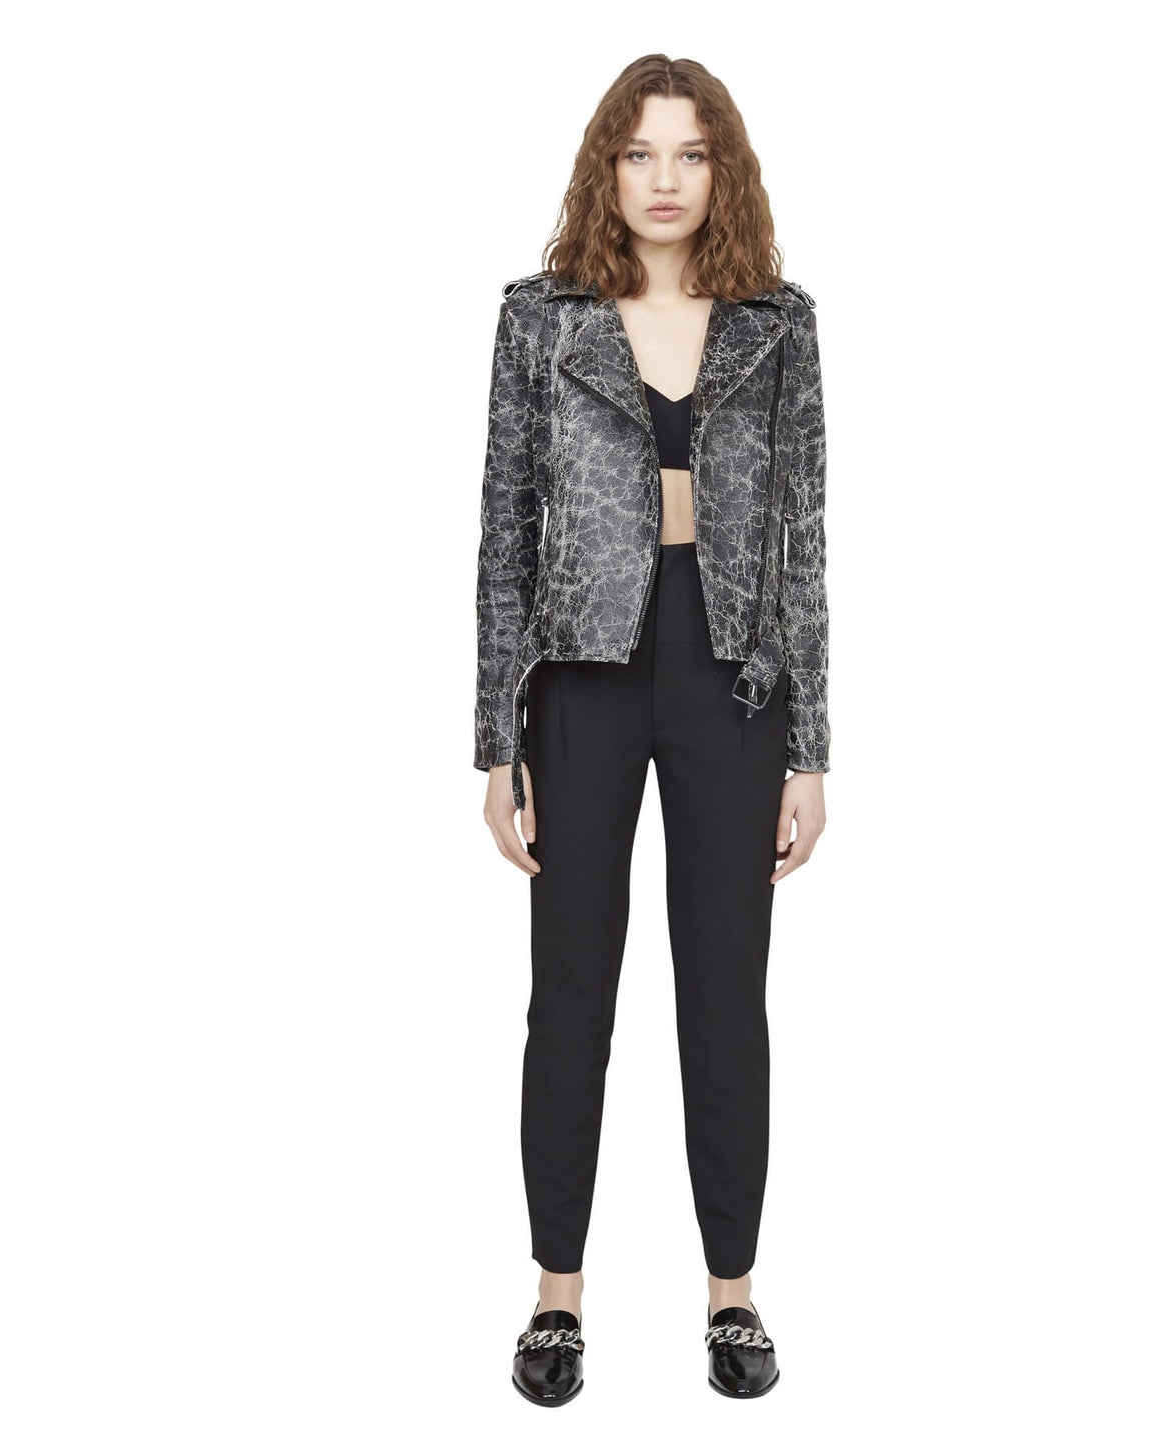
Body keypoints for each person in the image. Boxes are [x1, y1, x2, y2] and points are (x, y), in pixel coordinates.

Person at [473, 54, 831, 1405]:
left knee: (724, 991)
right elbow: (503, 530)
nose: (665, 180)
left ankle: (731, 1292)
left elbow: (803, 540)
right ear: (604, 170)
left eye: (690, 153)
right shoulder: (539, 319)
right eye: (639, 154)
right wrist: (494, 740)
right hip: (582, 675)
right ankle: (556, 1295)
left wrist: (810, 747)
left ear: (721, 167)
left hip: (733, 681)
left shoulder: (777, 325)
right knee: (568, 990)